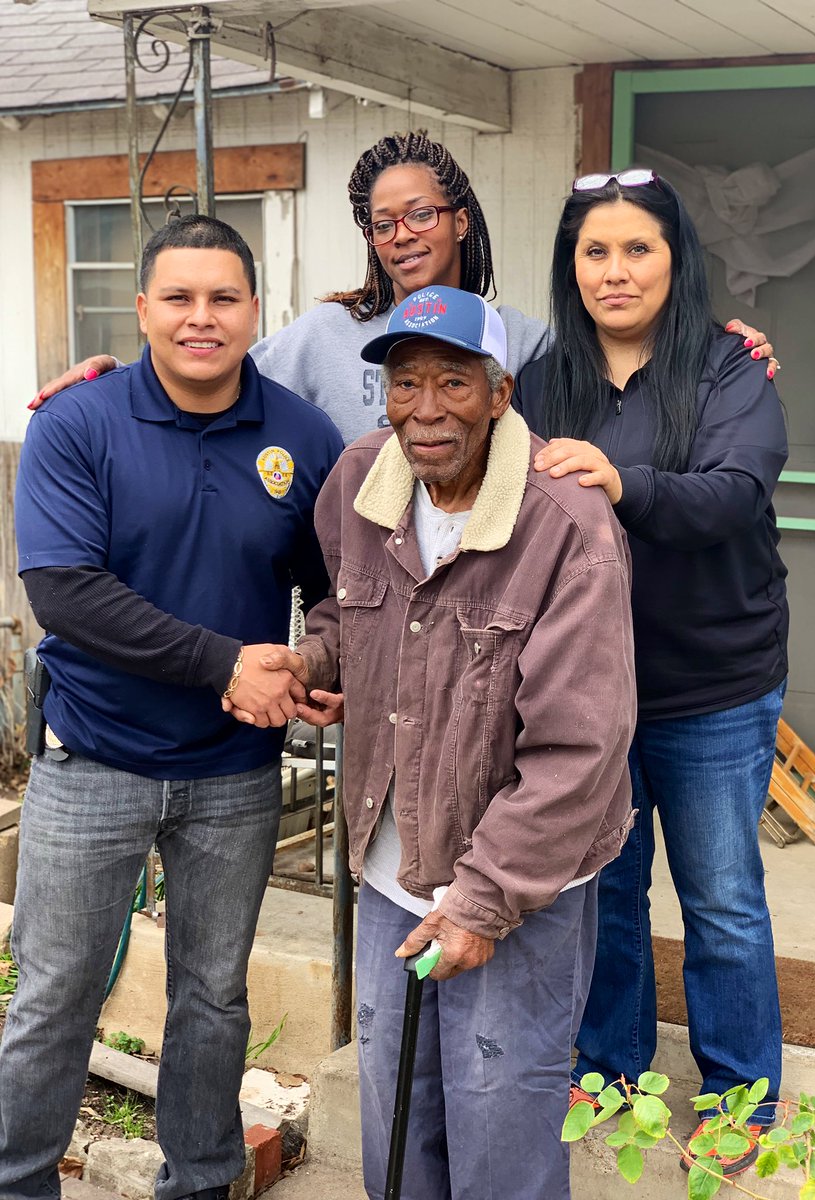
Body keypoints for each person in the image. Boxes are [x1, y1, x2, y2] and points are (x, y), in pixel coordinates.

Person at [257, 283, 637, 1200]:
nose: (424, 412)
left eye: (454, 385)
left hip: (520, 886)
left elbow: (580, 751)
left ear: (501, 392)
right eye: (405, 384)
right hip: (392, 869)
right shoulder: (360, 481)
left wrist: (481, 902)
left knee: (500, 1128)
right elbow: (357, 620)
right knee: (397, 1128)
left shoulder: (567, 524)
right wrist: (310, 661)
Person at [2, 215, 343, 1200]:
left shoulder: (300, 435)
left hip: (231, 772)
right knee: (57, 996)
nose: (203, 317)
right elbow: (63, 590)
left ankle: (200, 1182)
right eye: (180, 298)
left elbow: (336, 584)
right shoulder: (79, 423)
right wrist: (227, 663)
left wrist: (319, 660)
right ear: (143, 308)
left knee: (212, 998)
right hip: (91, 761)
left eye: (223, 297)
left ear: (254, 310)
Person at [514, 168, 789, 1179]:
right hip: (593, 693)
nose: (615, 270)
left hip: (714, 685)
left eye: (639, 249)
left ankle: (739, 1095)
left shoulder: (731, 369)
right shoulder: (544, 382)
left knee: (721, 899)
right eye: (595, 251)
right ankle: (610, 1069)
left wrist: (618, 478)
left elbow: (726, 496)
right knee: (607, 891)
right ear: (571, 265)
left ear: (677, 262)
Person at [33, 131, 778, 434]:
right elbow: (211, 371)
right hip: (370, 627)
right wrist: (115, 374)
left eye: (420, 214)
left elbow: (626, 351)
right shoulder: (329, 337)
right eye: (381, 224)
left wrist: (724, 345)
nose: (401, 236)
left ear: (460, 220)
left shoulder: (524, 340)